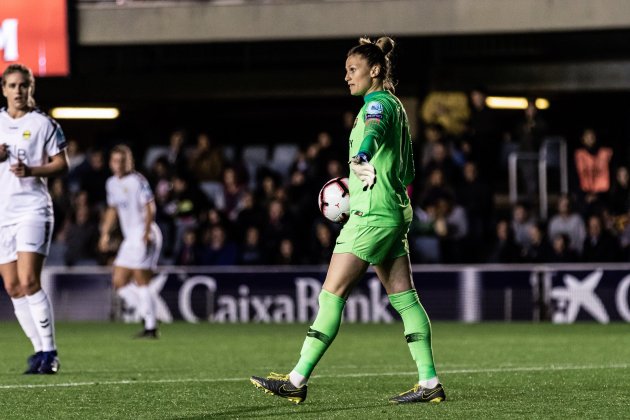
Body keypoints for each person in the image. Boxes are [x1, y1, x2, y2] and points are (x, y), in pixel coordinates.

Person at [251, 37, 445, 404]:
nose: (346, 77)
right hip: (393, 211)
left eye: (352, 70)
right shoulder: (397, 107)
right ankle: (429, 382)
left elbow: (371, 132)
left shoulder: (377, 105)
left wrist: (360, 156)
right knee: (405, 299)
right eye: (345, 71)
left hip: (371, 216)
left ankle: (296, 380)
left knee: (331, 294)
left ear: (374, 71)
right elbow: (407, 171)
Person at [0, 64, 66, 374]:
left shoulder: (44, 124)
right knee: (13, 287)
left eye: (23, 85)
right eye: (12, 85)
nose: (18, 91)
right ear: (4, 90)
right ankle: (38, 350)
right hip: (2, 214)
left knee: (29, 280)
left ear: (31, 88)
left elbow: (61, 164)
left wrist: (32, 171)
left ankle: (51, 352)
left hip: (33, 209)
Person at [98, 145, 163, 338]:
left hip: (145, 232)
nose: (118, 165)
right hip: (130, 238)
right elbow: (113, 209)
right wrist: (105, 233)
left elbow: (150, 206)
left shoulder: (137, 181)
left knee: (142, 280)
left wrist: (146, 232)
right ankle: (147, 314)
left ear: (129, 162)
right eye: (115, 161)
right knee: (119, 282)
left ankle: (150, 326)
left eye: (122, 161)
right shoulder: (111, 183)